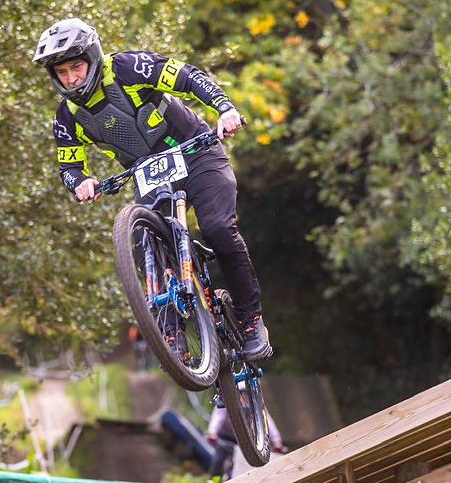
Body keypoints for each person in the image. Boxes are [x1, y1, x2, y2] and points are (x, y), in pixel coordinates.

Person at [32, 18, 272, 361]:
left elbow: (188, 78)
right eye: (62, 72)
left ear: (93, 58)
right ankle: (170, 335)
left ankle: (251, 320)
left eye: (77, 67)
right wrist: (80, 182)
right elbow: (69, 166)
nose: (70, 78)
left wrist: (224, 107)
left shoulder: (130, 67)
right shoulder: (66, 117)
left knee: (218, 228)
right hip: (151, 173)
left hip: (196, 152)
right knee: (147, 241)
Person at [206, 395, 285, 477]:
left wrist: (277, 441)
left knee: (247, 465)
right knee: (218, 461)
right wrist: (213, 432)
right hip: (225, 438)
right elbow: (218, 417)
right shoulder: (227, 401)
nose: (243, 399)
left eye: (245, 395)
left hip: (243, 440)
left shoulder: (255, 404)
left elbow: (266, 421)